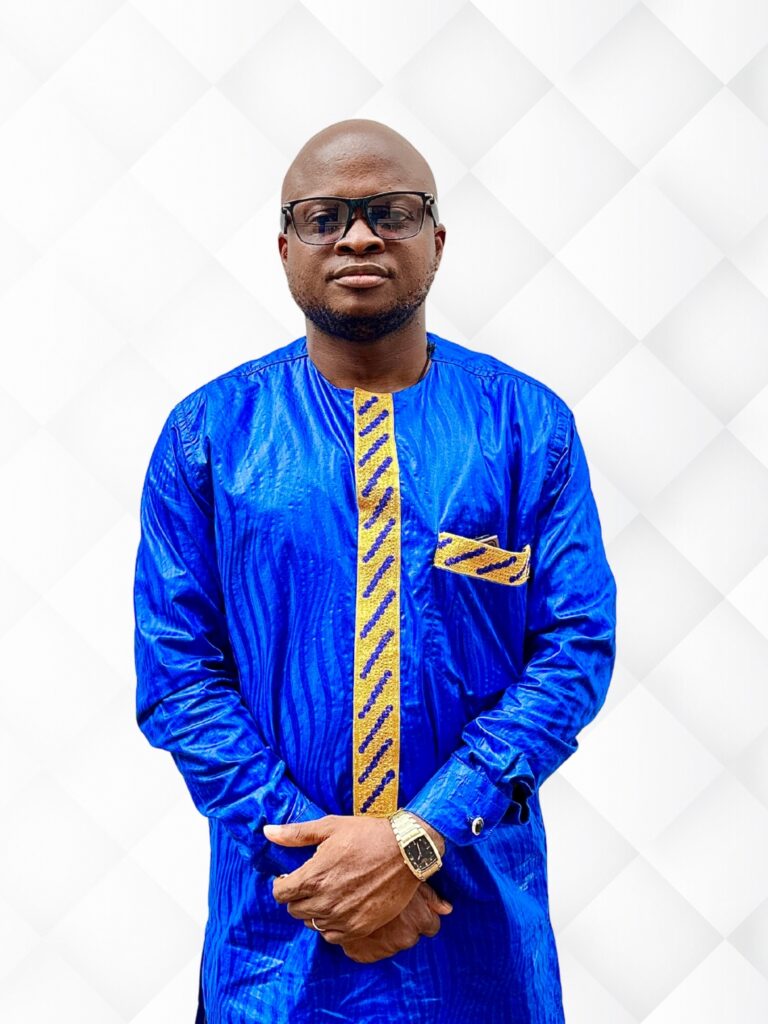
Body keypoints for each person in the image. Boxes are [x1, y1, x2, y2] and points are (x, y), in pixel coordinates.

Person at [133, 117, 617, 1024]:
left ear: (438, 239)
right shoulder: (210, 436)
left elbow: (574, 653)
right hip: (277, 946)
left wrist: (417, 842)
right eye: (324, 217)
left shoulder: (525, 429)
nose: (359, 237)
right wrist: (324, 869)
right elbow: (179, 679)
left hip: (476, 940)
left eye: (392, 212)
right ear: (285, 247)